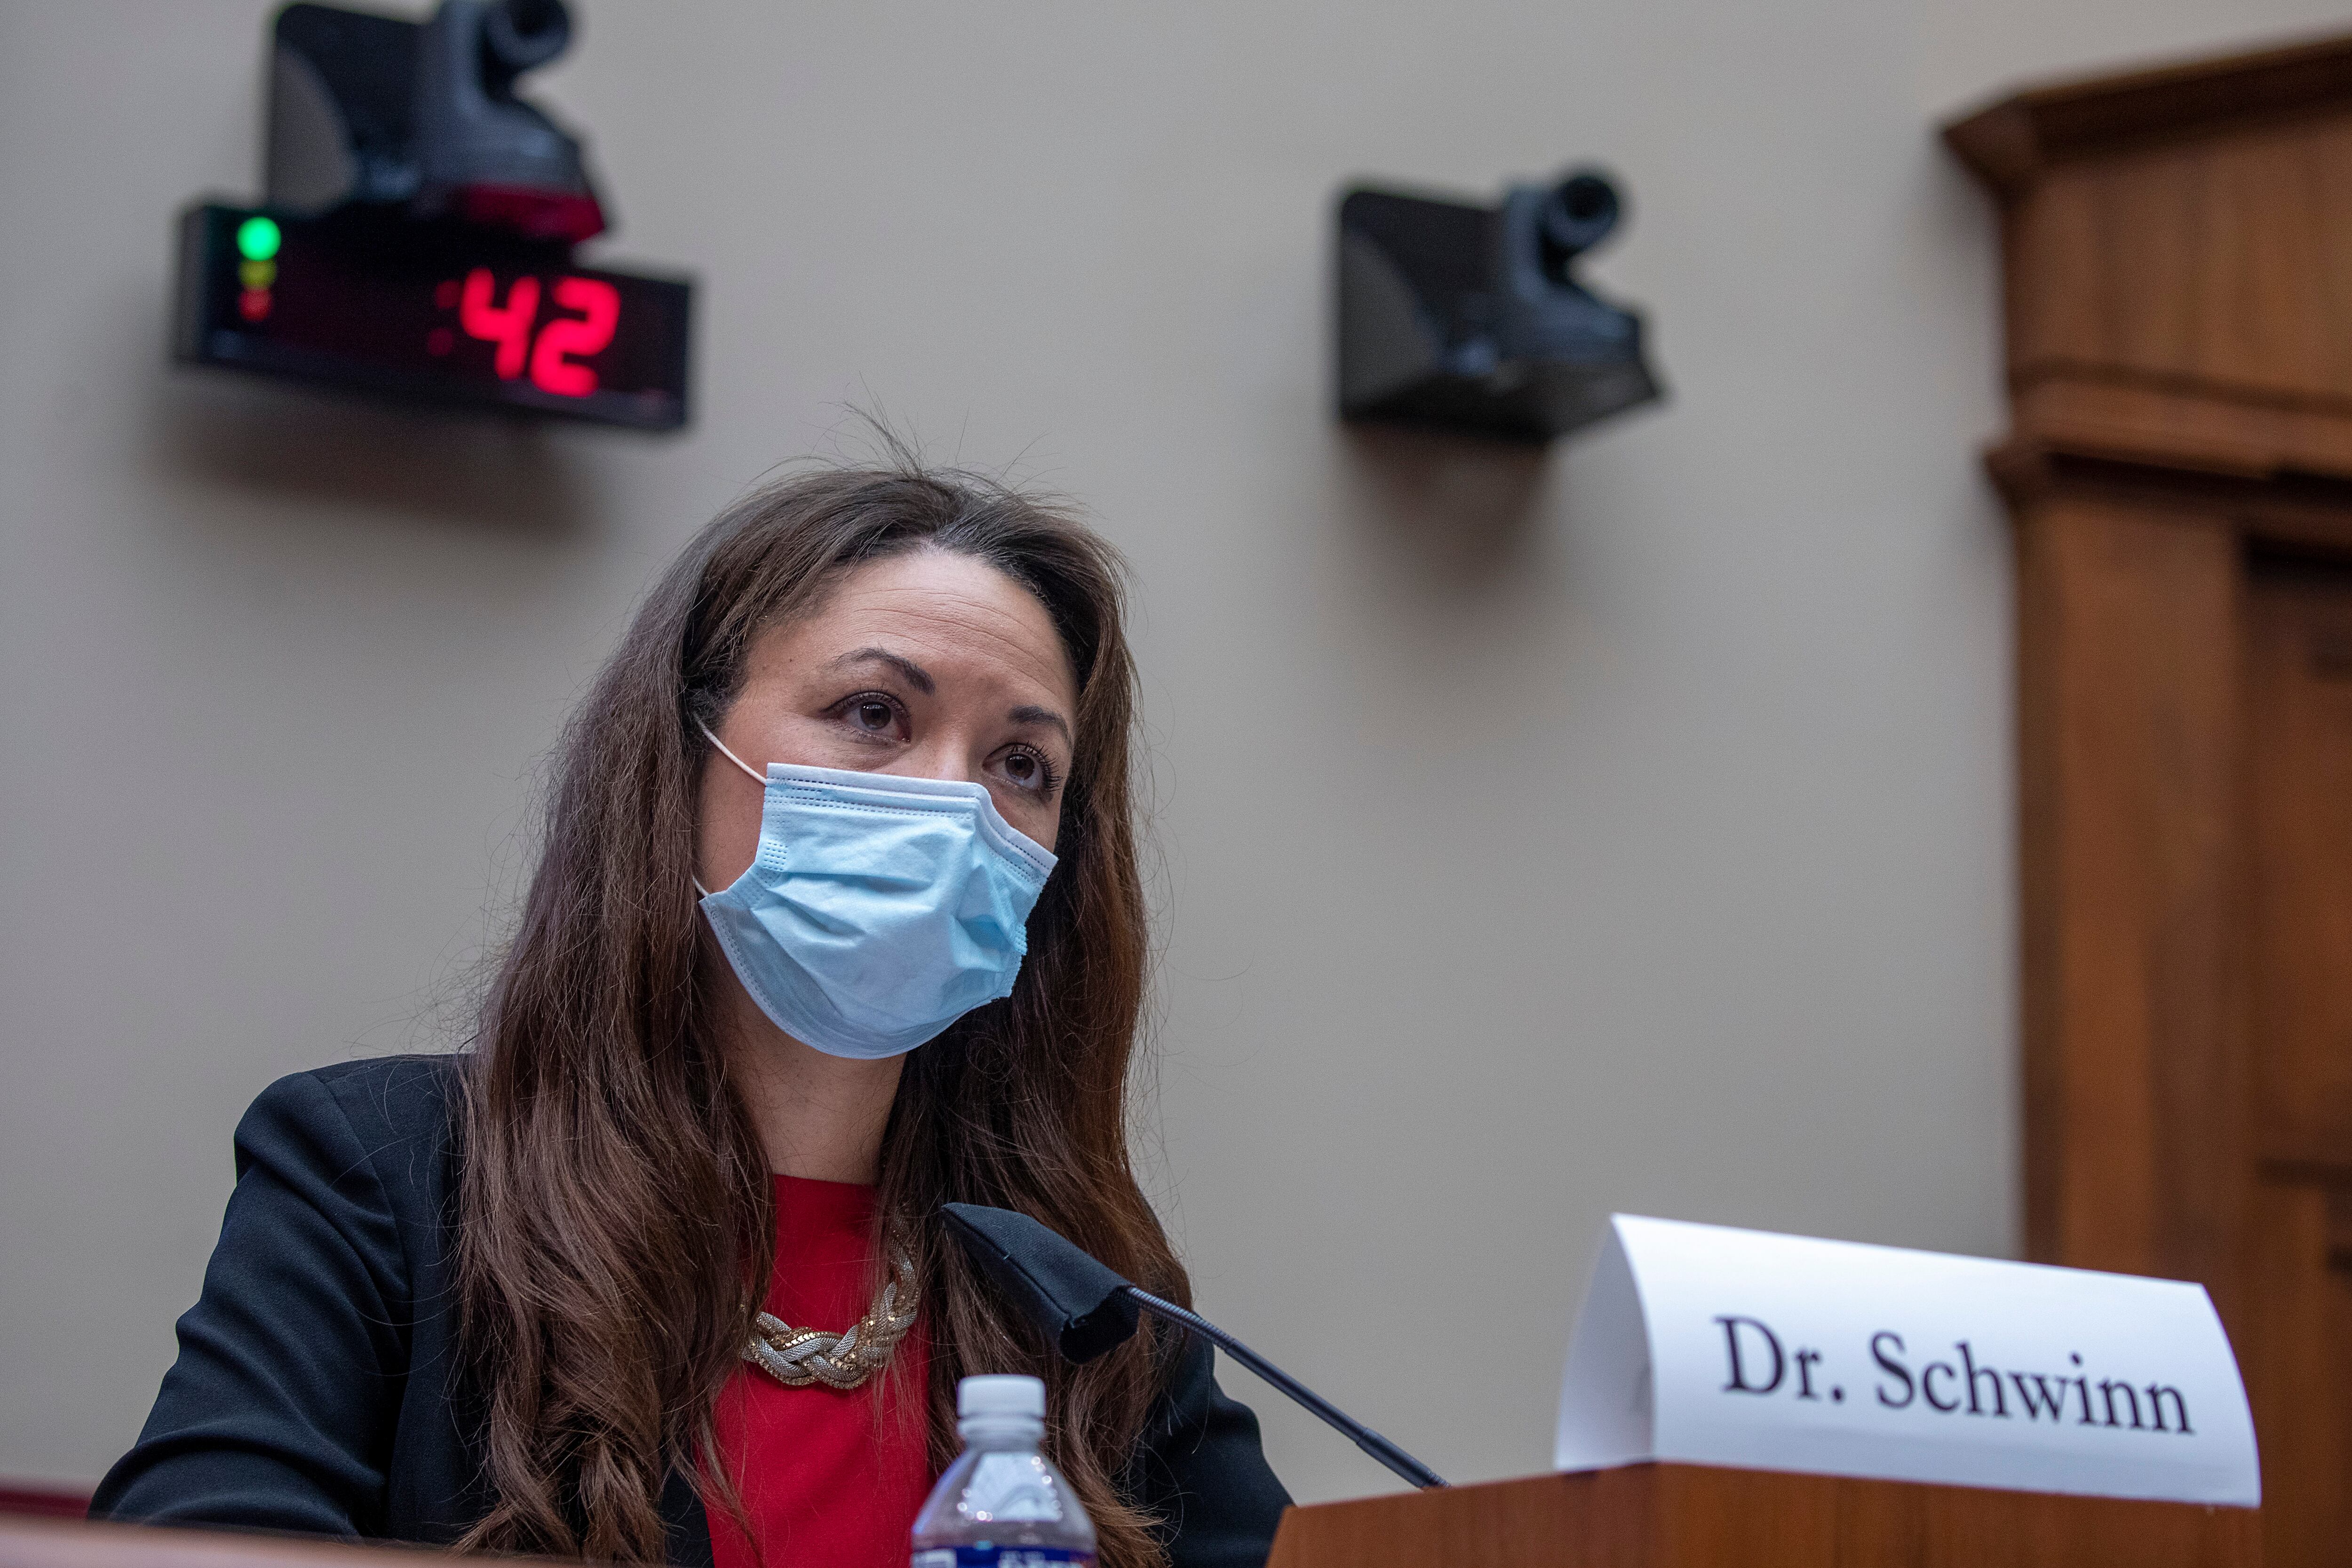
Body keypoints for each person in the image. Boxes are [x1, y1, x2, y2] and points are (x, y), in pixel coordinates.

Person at [93, 456, 1293, 1568]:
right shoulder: (384, 1174)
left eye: (1020, 764)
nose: (949, 802)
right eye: (875, 712)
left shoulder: (1082, 1284)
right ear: (684, 757)